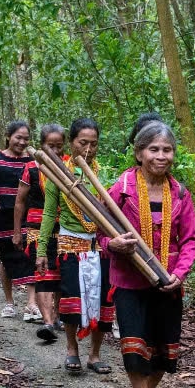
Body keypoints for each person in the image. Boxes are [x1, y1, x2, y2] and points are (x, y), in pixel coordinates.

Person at [101, 120, 195, 388]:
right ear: (139, 153)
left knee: (163, 349)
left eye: (167, 150)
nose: (161, 156)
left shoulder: (180, 193)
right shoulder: (123, 188)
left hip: (167, 282)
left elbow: (191, 241)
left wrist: (180, 273)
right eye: (153, 149)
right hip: (130, 281)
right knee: (134, 345)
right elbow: (100, 231)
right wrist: (113, 244)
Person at [38, 118, 115, 374]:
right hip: (70, 244)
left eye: (94, 144)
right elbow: (49, 214)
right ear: (71, 143)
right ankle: (72, 350)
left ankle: (95, 354)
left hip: (101, 244)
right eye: (83, 143)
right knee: (71, 299)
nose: (88, 149)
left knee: (104, 300)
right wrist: (41, 250)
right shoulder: (58, 174)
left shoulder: (101, 173)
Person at [16, 124, 64, 341]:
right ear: (42, 145)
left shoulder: (69, 167)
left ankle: (57, 317)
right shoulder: (31, 168)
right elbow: (20, 201)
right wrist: (17, 231)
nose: (54, 150)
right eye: (49, 146)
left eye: (58, 146)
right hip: (37, 228)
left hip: (64, 227)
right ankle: (47, 321)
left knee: (61, 273)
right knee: (43, 272)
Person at [0, 121, 36, 318]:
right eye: (18, 137)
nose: (22, 142)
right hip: (2, 215)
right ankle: (9, 302)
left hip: (27, 215)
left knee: (30, 254)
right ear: (8, 136)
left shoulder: (31, 158)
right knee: (6, 258)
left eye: (26, 138)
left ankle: (31, 304)